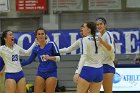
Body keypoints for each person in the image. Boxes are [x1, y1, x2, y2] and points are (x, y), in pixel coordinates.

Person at [21, 27, 61, 93]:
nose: (41, 35)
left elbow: (59, 58)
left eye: (42, 34)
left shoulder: (51, 44)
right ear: (36, 36)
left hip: (51, 73)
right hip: (40, 73)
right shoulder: (35, 48)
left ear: (45, 35)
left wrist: (50, 58)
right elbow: (29, 61)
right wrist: (18, 64)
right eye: (39, 34)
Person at [75, 22, 104, 93]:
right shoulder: (99, 38)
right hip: (99, 71)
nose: (82, 29)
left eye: (84, 27)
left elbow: (84, 56)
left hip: (88, 69)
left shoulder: (85, 39)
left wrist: (77, 72)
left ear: (89, 30)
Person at [96, 17, 115, 93]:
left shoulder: (108, 34)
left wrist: (102, 42)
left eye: (101, 24)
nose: (99, 26)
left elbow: (111, 49)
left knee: (107, 91)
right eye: (97, 25)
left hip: (107, 65)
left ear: (105, 25)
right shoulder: (97, 35)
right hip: (97, 66)